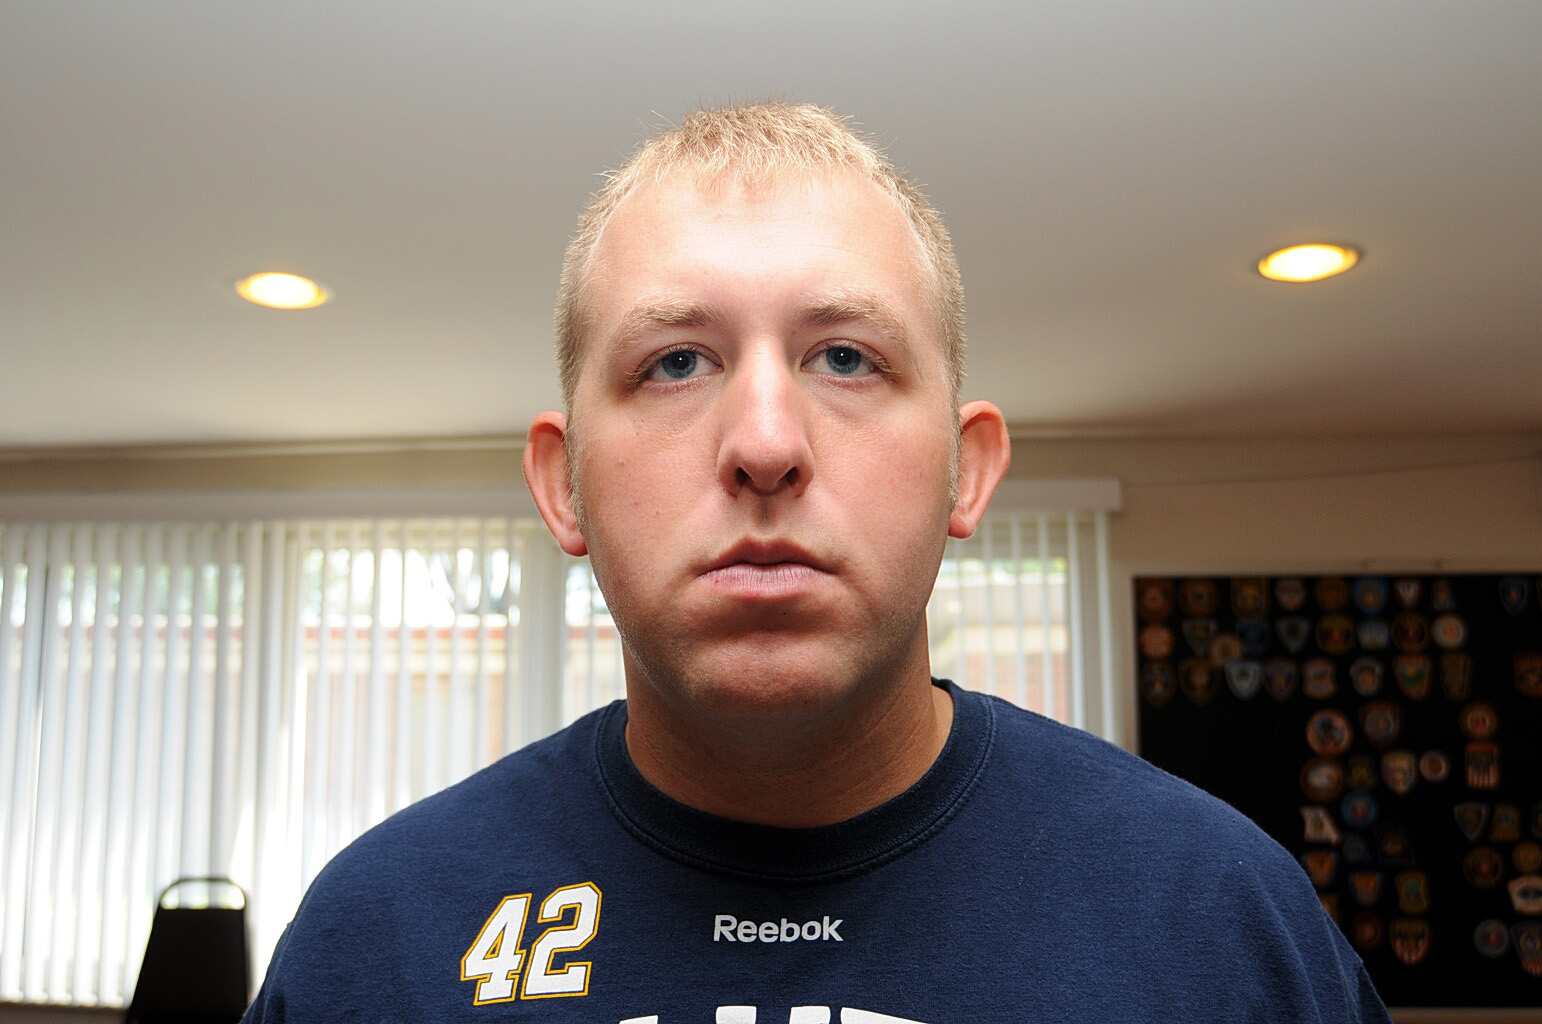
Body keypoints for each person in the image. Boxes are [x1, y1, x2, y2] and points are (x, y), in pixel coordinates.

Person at [243, 102, 1391, 1023]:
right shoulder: (376, 939)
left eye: (845, 355)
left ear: (965, 468)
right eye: (677, 361)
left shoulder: (1222, 922)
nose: (765, 444)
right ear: (564, 483)